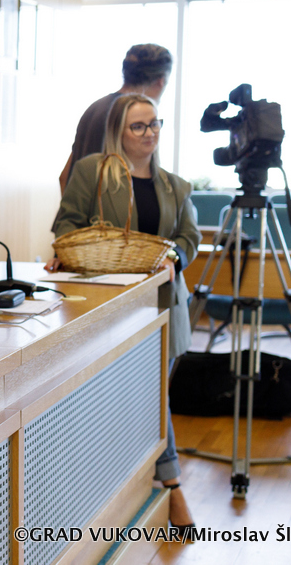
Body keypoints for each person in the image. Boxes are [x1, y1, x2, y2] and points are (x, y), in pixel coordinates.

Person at [48, 93, 200, 533]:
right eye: (139, 126)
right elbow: (67, 223)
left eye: (155, 124)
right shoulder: (92, 171)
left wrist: (175, 257)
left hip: (163, 303)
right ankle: (149, 486)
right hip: (110, 304)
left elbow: (189, 237)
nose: (150, 133)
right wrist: (66, 251)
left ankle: (164, 482)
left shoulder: (175, 185)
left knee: (153, 395)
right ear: (119, 131)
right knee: (127, 397)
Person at [56, 43, 173, 197]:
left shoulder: (95, 107)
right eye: (138, 127)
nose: (148, 132)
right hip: (105, 210)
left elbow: (65, 176)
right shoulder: (121, 115)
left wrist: (73, 209)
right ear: (161, 82)